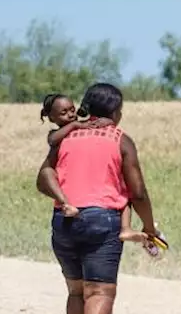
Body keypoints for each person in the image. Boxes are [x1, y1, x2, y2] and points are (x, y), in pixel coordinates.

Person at [35, 83, 160, 314]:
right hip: (101, 219)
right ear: (116, 112)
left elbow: (42, 178)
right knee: (101, 292)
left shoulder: (66, 137)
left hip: (64, 220)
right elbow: (138, 191)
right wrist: (150, 227)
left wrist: (65, 200)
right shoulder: (120, 140)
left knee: (76, 291)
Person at [42, 93, 143, 246]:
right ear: (52, 118)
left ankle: (126, 228)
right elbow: (52, 140)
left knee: (122, 193)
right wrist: (75, 125)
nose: (70, 115)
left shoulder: (81, 127)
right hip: (78, 199)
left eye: (72, 110)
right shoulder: (57, 135)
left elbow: (91, 125)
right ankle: (65, 203)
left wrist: (107, 122)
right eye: (63, 113)